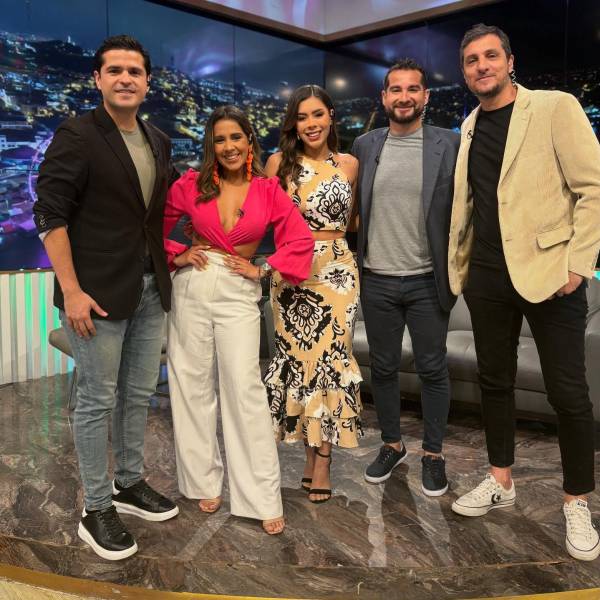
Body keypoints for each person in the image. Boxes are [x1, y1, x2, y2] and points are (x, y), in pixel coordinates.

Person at [448, 23, 600, 561]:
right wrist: (464, 270)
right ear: (465, 72)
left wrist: (578, 265)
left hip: (551, 274)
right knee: (495, 383)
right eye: (472, 60)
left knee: (569, 394)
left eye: (491, 56)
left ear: (510, 61)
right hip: (488, 276)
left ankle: (576, 500)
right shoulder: (469, 125)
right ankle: (500, 479)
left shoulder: (555, 107)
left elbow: (593, 188)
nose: (482, 66)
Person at [33, 35, 178, 561]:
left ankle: (128, 482)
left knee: (137, 395)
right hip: (93, 294)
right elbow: (49, 213)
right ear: (97, 79)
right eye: (114, 70)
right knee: (96, 400)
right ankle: (95, 509)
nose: (125, 79)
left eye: (134, 71)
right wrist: (71, 291)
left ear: (147, 82)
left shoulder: (157, 139)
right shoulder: (77, 134)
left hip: (149, 287)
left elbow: (155, 214)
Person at [163, 105, 313, 535]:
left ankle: (260, 497)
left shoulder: (268, 190)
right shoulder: (191, 184)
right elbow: (152, 224)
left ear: (249, 142)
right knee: (190, 386)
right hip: (192, 286)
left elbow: (299, 239)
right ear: (211, 145)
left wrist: (263, 268)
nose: (228, 146)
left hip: (238, 291)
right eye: (220, 139)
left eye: (236, 137)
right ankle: (201, 482)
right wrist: (179, 254)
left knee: (245, 391)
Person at [351, 59, 460, 496]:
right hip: (377, 278)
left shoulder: (449, 144)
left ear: (425, 96)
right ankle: (392, 445)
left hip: (427, 279)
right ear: (384, 97)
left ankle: (433, 454)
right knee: (383, 368)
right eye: (395, 89)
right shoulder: (365, 145)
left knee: (433, 368)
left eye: (413, 89)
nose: (404, 97)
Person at [264, 84, 363, 504]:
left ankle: (323, 460)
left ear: (330, 116)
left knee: (331, 363)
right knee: (300, 366)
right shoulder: (277, 164)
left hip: (336, 271)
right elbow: (261, 218)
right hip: (290, 275)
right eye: (302, 117)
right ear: (293, 123)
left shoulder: (350, 164)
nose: (310, 124)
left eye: (317, 114)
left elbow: (353, 221)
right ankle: (309, 455)